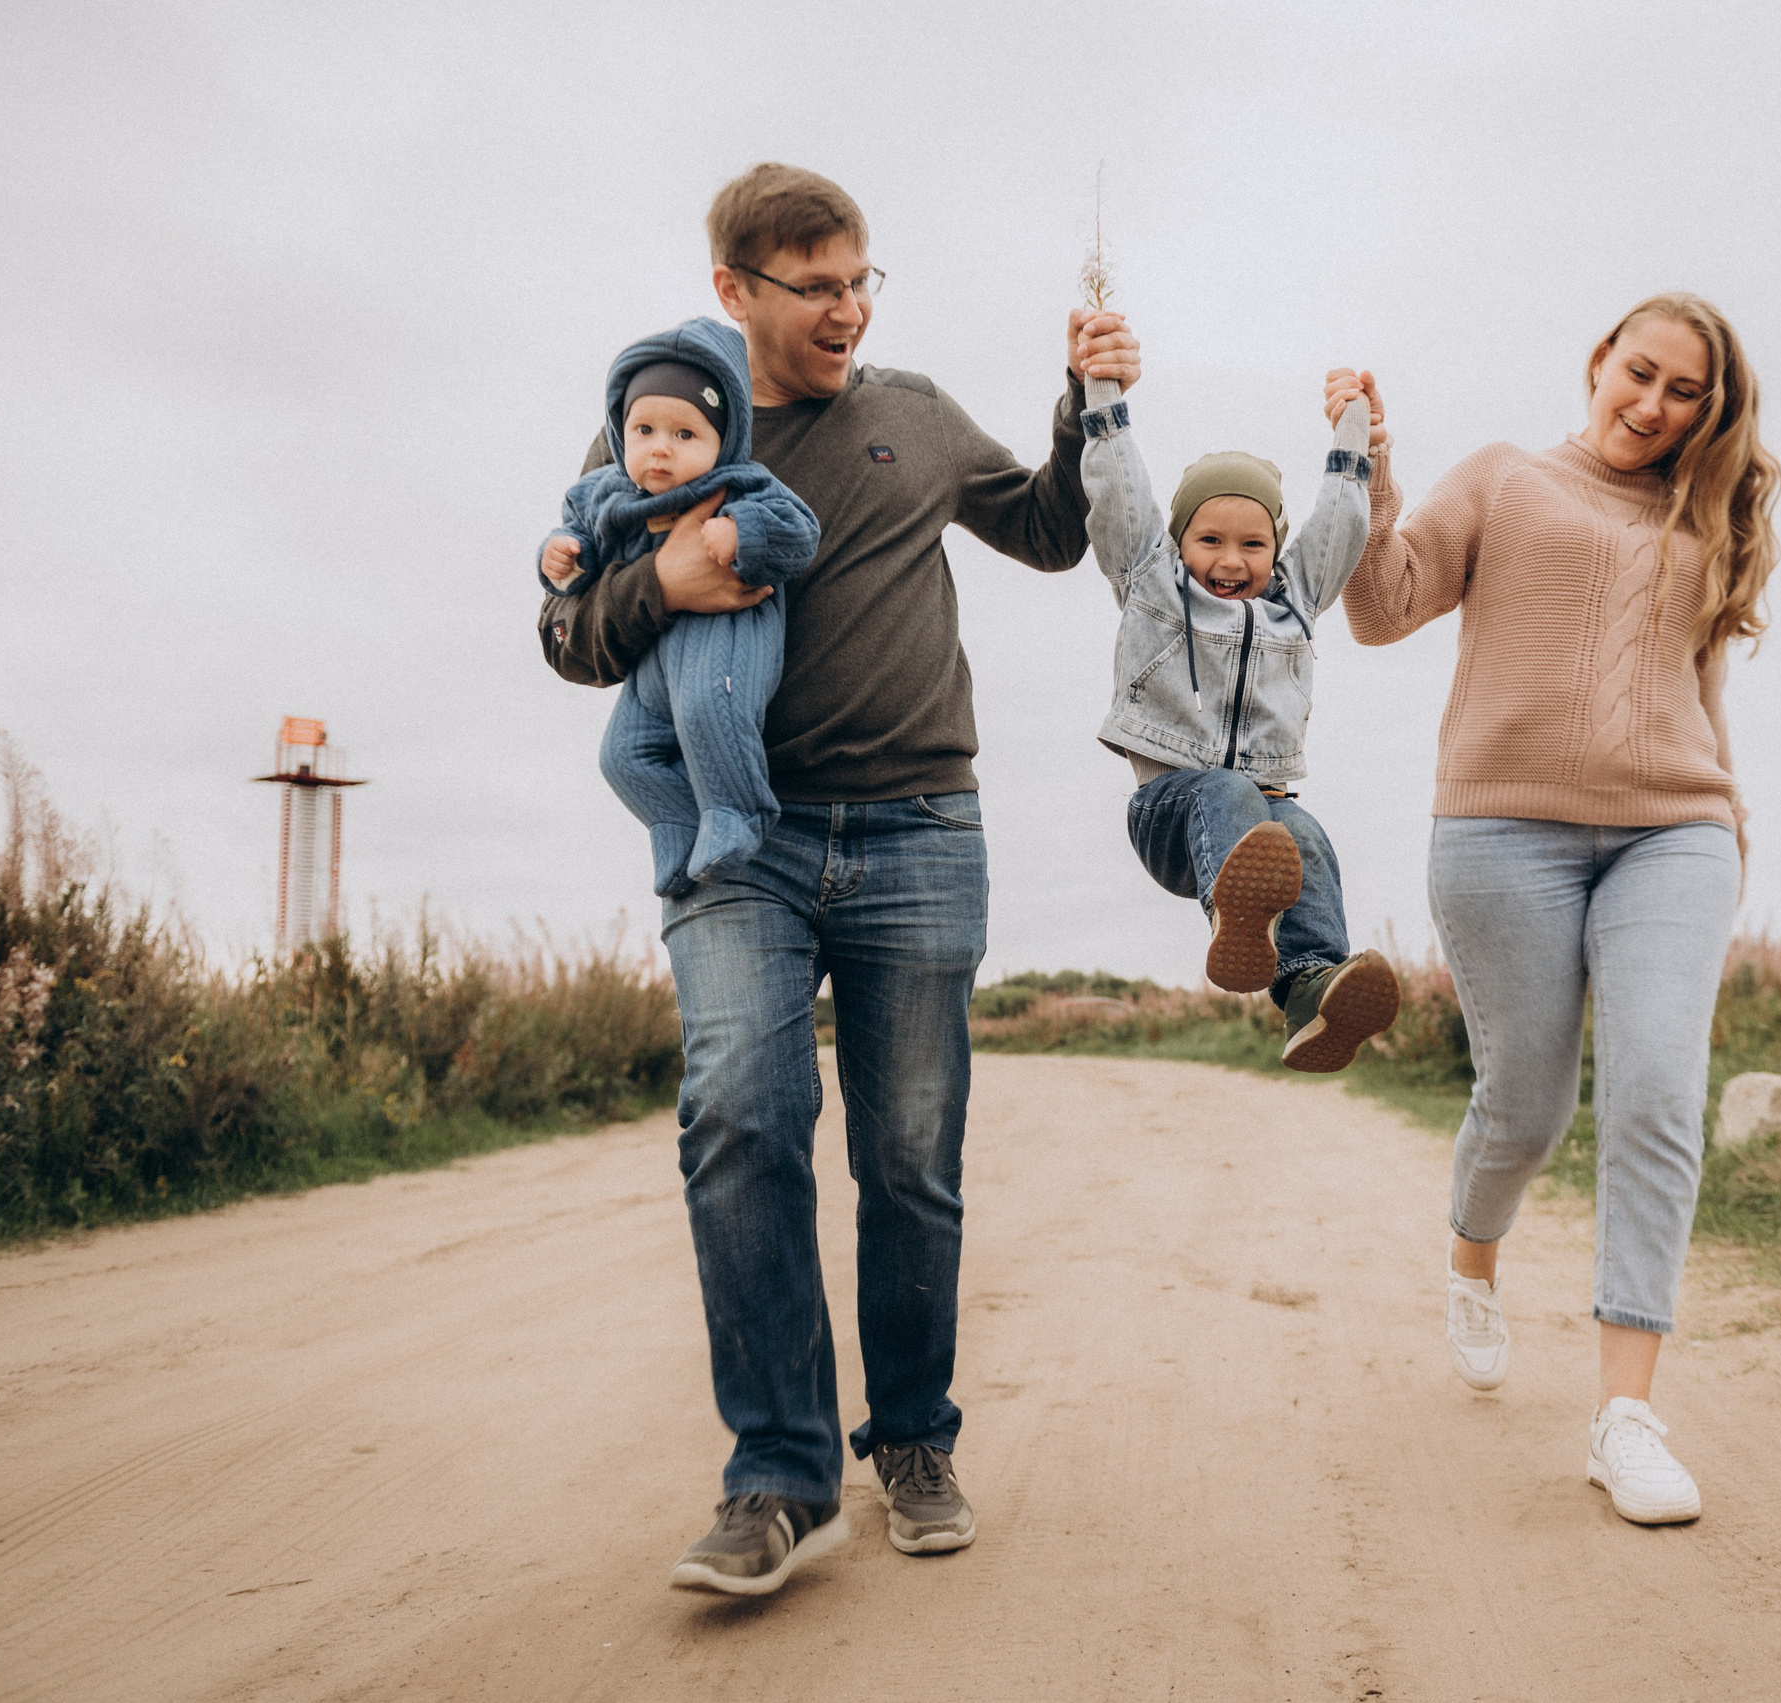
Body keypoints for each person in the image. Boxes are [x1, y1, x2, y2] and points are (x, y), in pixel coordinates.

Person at [536, 162, 1139, 1596]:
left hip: (922, 827)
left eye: (866, 279)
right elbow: (570, 633)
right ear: (736, 289)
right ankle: (778, 1475)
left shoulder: (914, 416)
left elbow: (1053, 531)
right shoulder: (663, 430)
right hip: (741, 838)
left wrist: (1084, 400)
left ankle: (914, 1440)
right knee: (741, 1107)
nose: (851, 309)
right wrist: (661, 586)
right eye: (819, 287)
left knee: (911, 1157)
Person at [1331, 292, 1781, 1525]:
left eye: (1684, 391)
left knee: (1653, 1087)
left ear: (1711, 409)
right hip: (1500, 828)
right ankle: (1472, 1256)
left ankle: (1625, 1413)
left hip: (1671, 833)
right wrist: (1369, 468)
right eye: (1639, 373)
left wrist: (1727, 818)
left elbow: (1701, 683)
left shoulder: (1710, 518)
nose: (1652, 404)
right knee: (1527, 1103)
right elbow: (1379, 609)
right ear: (1598, 363)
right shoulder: (1506, 479)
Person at [1079, 377, 1399, 1068]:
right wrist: (1102, 394)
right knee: (1228, 791)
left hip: (1266, 818)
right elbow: (1121, 492)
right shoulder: (1151, 581)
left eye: (1253, 544)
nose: (1230, 560)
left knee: (1303, 831)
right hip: (1173, 814)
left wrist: (1353, 429)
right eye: (1210, 539)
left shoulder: (1297, 601)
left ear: (1277, 550)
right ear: (1178, 541)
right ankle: (1238, 914)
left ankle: (1310, 987)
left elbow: (1341, 520)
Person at [536, 318, 820, 894]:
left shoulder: (744, 484)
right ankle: (677, 825)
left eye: (685, 435)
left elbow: (800, 531)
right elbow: (578, 539)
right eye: (643, 429)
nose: (660, 448)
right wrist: (559, 556)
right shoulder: (607, 493)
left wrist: (744, 533)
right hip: (655, 658)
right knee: (623, 754)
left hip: (729, 633)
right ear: (622, 433)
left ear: (723, 438)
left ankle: (738, 814)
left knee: (709, 710)